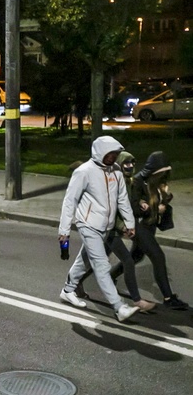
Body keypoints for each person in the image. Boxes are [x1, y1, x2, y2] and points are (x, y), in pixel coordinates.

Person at [58, 136, 153, 322]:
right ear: (100, 152)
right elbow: (70, 201)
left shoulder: (116, 171)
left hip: (107, 226)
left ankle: (68, 290)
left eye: (115, 154)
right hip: (88, 224)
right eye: (110, 154)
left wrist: (129, 224)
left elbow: (122, 199)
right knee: (101, 264)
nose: (112, 157)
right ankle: (119, 307)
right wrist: (64, 230)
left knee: (84, 260)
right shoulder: (84, 171)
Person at [75, 152, 154, 311]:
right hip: (107, 228)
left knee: (95, 259)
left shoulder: (126, 181)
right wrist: (122, 226)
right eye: (126, 164)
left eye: (132, 163)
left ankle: (75, 283)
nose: (130, 166)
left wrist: (141, 203)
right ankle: (137, 301)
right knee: (128, 261)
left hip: (112, 228)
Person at [129, 151, 188, 310]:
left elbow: (161, 206)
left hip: (150, 227)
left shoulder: (156, 183)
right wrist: (155, 208)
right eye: (162, 173)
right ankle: (169, 298)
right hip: (139, 226)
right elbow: (135, 209)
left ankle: (107, 277)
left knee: (134, 257)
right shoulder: (138, 182)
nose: (164, 176)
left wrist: (166, 197)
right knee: (158, 257)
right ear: (154, 171)